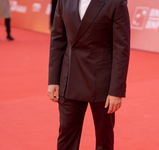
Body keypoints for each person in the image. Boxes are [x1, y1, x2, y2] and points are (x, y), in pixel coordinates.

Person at [47, 0, 130, 149]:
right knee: (66, 140)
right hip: (69, 78)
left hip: (102, 84)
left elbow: (121, 49)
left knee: (104, 141)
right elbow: (58, 40)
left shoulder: (116, 3)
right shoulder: (64, 1)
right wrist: (53, 80)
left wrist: (116, 90)